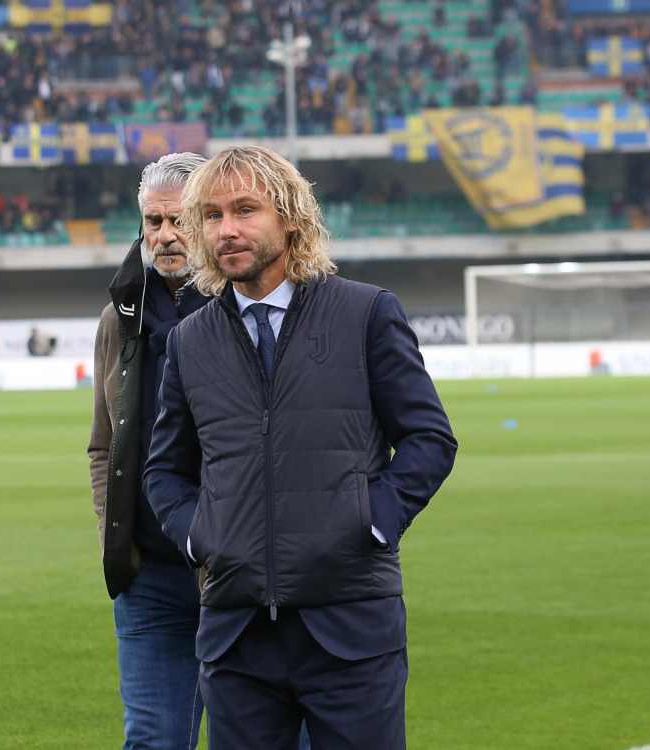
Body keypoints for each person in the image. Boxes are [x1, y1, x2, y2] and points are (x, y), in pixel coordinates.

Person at [144, 146, 457, 749]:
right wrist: (200, 536)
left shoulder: (366, 313)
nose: (226, 229)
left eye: (245, 210)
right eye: (211, 216)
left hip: (351, 626)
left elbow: (429, 438)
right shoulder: (190, 340)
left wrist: (371, 523)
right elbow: (165, 471)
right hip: (236, 634)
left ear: (290, 216)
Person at [87, 152, 212, 749]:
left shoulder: (246, 306)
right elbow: (102, 443)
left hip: (240, 571)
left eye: (177, 220)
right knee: (153, 741)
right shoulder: (119, 317)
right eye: (152, 222)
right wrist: (115, 532)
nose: (164, 236)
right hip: (151, 576)